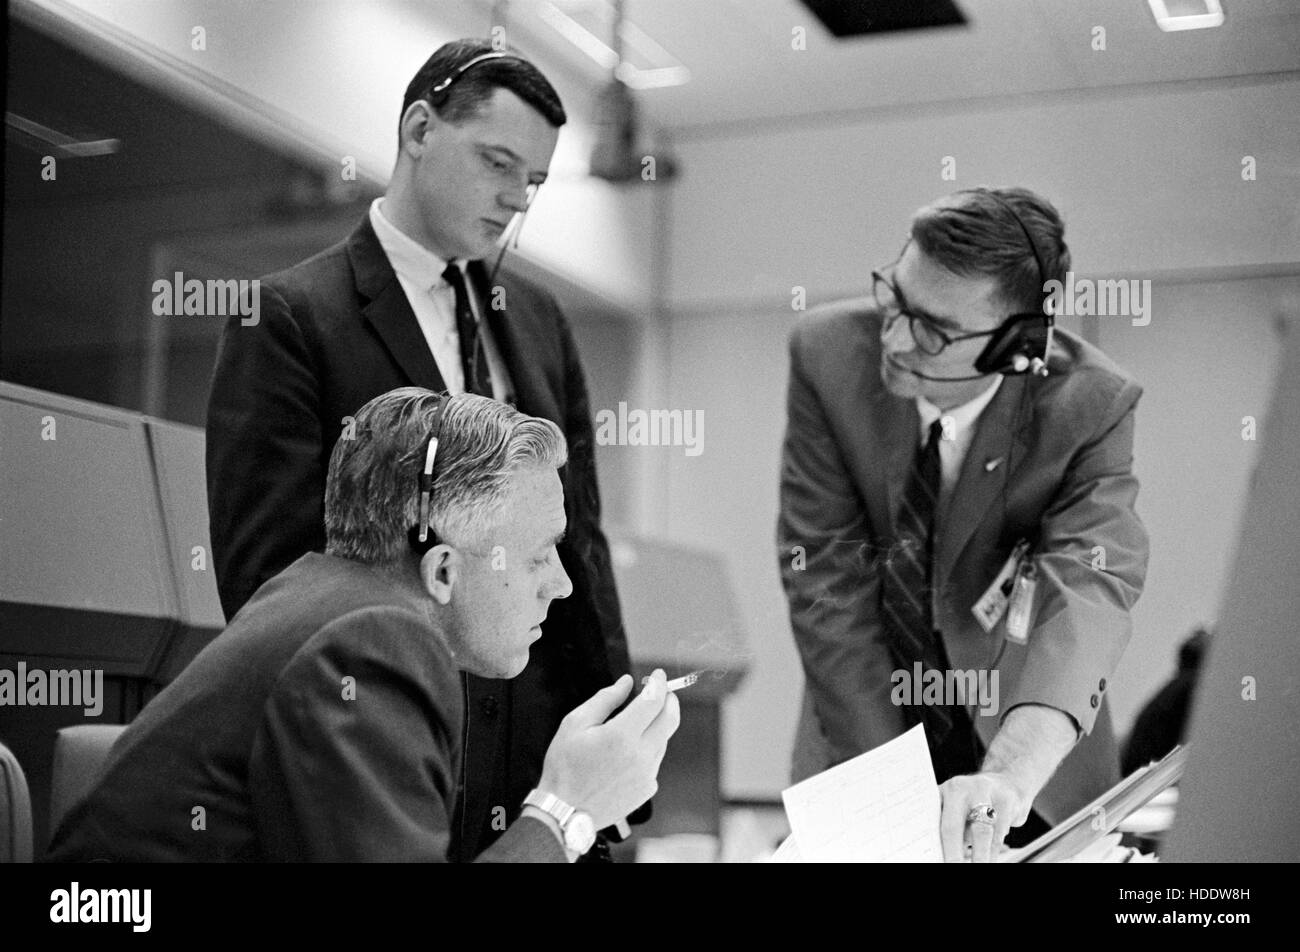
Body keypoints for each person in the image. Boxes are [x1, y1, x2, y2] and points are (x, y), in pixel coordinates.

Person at [205, 39, 633, 859]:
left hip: (539, 749)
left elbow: (580, 541)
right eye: (498, 162)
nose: (516, 199)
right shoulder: (291, 319)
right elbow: (271, 582)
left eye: (535, 181)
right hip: (385, 743)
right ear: (418, 129)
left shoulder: (538, 319)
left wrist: (607, 734)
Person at [47, 388, 678, 862]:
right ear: (442, 571)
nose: (562, 585)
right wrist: (568, 808)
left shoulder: (326, 602)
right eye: (541, 554)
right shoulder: (372, 643)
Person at [777, 187, 1149, 862]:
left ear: (1016, 345)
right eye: (894, 297)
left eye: (932, 330)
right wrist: (895, 812)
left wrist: (1010, 771)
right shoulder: (828, 355)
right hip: (865, 721)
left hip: (1026, 757)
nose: (892, 337)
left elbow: (1089, 590)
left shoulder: (1090, 403)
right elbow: (826, 582)